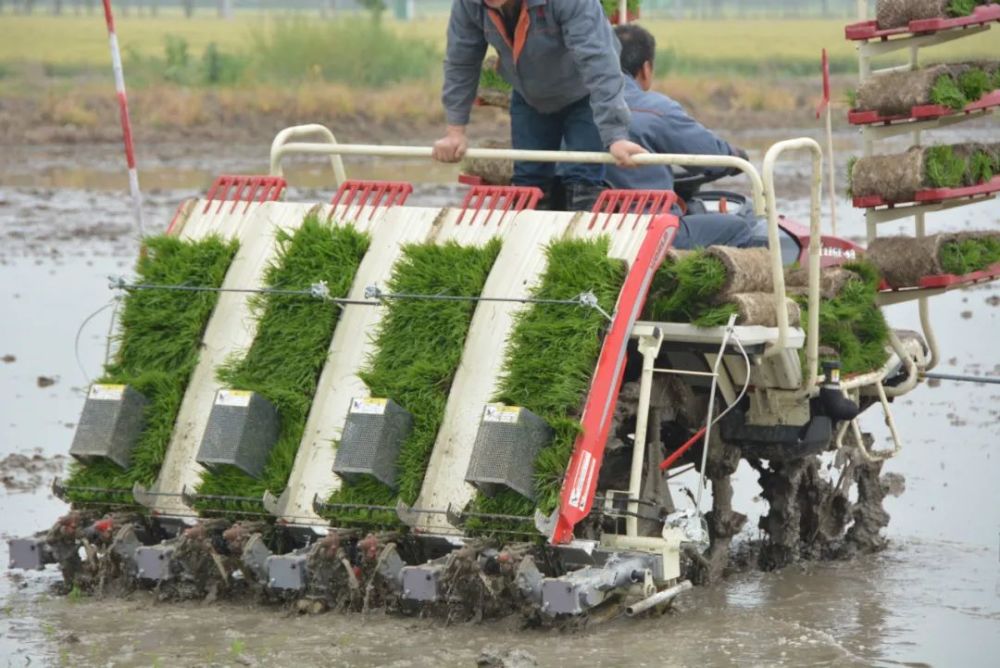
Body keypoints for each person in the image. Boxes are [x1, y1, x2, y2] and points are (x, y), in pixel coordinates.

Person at [431, 0, 647, 210]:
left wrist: (616, 136)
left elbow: (598, 63)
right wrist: (455, 132)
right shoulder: (469, 5)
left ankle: (581, 238)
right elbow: (461, 62)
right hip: (530, 96)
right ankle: (530, 241)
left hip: (583, 94)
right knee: (528, 183)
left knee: (582, 180)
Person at [606, 23, 764, 249]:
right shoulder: (654, 109)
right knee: (740, 228)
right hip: (648, 230)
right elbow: (710, 156)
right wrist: (735, 156)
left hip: (587, 220)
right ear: (646, 68)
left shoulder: (570, 106)